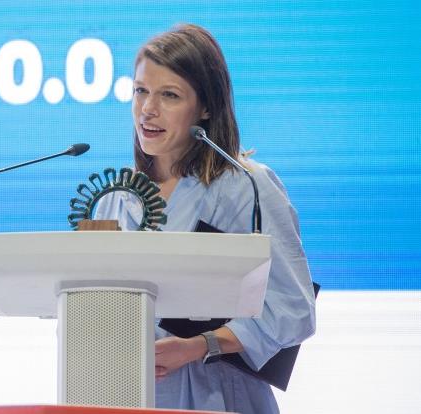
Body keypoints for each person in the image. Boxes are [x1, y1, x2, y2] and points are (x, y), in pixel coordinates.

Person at [93, 24, 316, 413]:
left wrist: (198, 346)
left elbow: (294, 310)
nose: (148, 109)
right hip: (126, 395)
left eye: (169, 95)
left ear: (206, 107)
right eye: (141, 91)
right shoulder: (115, 197)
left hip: (216, 394)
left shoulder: (247, 185)